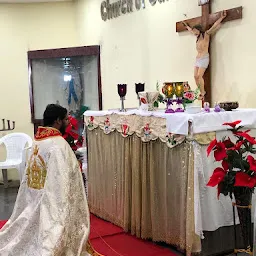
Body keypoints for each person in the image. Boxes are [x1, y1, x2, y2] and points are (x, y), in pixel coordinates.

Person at [0, 104, 101, 256]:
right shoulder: (58, 145)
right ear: (58, 121)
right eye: (66, 119)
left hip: (33, 199)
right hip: (50, 202)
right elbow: (64, 179)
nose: (68, 122)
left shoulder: (37, 141)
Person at [182, 10, 227, 100]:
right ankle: (200, 91)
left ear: (199, 30)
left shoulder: (206, 34)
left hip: (204, 58)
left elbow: (214, 26)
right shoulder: (197, 37)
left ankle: (203, 92)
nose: (194, 32)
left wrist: (222, 17)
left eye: (195, 31)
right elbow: (190, 30)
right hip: (197, 59)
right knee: (195, 76)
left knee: (199, 76)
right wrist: (186, 26)